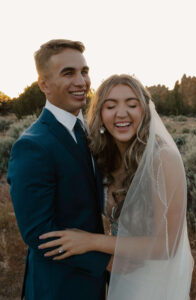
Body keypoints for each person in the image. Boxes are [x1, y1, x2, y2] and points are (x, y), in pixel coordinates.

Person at [39, 74, 194, 300]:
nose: (122, 113)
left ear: (145, 111)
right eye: (110, 106)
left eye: (132, 104)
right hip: (119, 274)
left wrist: (91, 242)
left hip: (156, 280)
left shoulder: (163, 160)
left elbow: (166, 247)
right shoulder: (101, 160)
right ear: (101, 114)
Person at [7, 39, 111, 300]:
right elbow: (39, 234)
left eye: (84, 72)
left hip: (93, 286)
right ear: (44, 84)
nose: (81, 81)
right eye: (68, 73)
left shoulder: (88, 131)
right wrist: (106, 262)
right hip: (57, 287)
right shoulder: (32, 146)